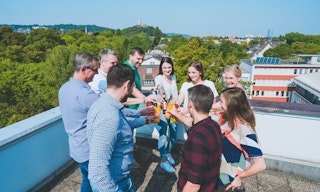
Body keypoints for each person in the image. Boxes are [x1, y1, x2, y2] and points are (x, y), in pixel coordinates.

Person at [87, 64, 137, 191]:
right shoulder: (109, 117)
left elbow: (122, 126)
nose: (132, 91)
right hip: (115, 184)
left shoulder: (104, 104)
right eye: (132, 87)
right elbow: (97, 172)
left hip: (120, 179)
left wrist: (146, 120)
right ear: (127, 85)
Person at [58, 52, 99, 192]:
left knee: (87, 180)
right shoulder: (85, 95)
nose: (97, 73)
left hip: (77, 147)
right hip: (90, 150)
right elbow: (109, 110)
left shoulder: (64, 89)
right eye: (94, 69)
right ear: (83, 69)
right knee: (100, 184)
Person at [217, 87, 266, 192]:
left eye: (221, 101)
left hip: (228, 183)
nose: (219, 104)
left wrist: (240, 177)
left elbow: (260, 165)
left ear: (231, 105)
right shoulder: (225, 119)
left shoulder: (244, 131)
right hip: (217, 177)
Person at [176, 85, 222, 192]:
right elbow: (193, 122)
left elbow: (193, 184)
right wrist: (175, 114)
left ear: (190, 104)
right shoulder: (214, 125)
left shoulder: (197, 139)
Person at [89, 48, 156, 108]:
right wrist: (145, 100)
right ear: (102, 62)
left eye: (116, 63)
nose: (115, 66)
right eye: (112, 63)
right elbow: (118, 98)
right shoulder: (100, 80)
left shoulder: (111, 76)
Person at [174, 61, 219, 128]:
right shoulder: (186, 85)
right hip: (189, 121)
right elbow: (180, 98)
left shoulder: (209, 84)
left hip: (205, 121)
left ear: (200, 72)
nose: (191, 75)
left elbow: (213, 104)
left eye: (193, 72)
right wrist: (176, 106)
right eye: (189, 72)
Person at [154, 57, 178, 173]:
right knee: (163, 135)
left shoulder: (173, 77)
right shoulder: (158, 78)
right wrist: (163, 95)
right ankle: (163, 160)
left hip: (172, 109)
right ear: (161, 68)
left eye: (169, 67)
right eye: (164, 68)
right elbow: (160, 87)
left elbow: (175, 94)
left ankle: (168, 153)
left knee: (174, 134)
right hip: (161, 109)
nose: (167, 70)